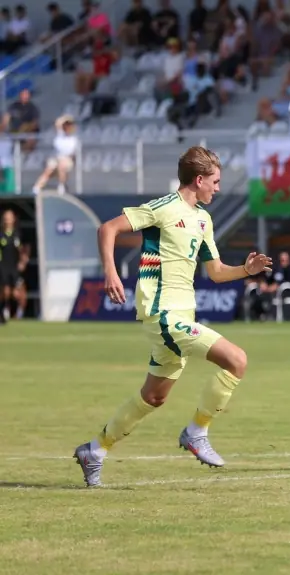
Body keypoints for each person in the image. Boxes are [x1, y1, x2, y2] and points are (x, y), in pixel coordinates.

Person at [73, 147, 273, 487]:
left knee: (154, 397)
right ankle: (197, 432)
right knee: (236, 360)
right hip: (161, 312)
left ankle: (96, 449)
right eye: (215, 182)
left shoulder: (204, 220)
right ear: (199, 180)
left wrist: (246, 269)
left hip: (180, 314)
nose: (218, 189)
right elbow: (108, 229)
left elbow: (216, 272)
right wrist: (111, 272)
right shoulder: (162, 208)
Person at [0, 209, 27, 324]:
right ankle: (4, 312)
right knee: (5, 292)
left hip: (14, 267)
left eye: (10, 217)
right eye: (6, 217)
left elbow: (23, 249)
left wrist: (23, 261)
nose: (8, 219)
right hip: (3, 266)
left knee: (16, 293)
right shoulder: (1, 233)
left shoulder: (17, 234)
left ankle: (18, 313)